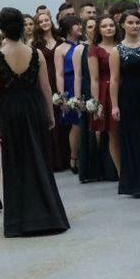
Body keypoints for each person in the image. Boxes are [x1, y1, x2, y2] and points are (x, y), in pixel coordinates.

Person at [0, 8, 69, 237]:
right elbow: (46, 88)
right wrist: (50, 113)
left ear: (1, 29)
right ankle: (50, 215)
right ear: (23, 27)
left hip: (10, 110)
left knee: (15, 162)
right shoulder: (36, 53)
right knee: (41, 159)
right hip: (34, 108)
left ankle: (19, 222)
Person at [110, 12, 140, 199]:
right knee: (135, 138)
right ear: (122, 25)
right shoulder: (117, 50)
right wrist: (115, 105)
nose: (135, 25)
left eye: (137, 22)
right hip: (129, 98)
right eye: (130, 22)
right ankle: (139, 183)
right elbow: (114, 79)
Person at [31, 9, 69, 172]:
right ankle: (54, 160)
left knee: (64, 117)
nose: (44, 23)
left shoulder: (61, 39)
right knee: (50, 117)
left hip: (62, 80)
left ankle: (68, 157)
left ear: (51, 21)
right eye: (40, 21)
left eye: (46, 20)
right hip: (44, 82)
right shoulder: (34, 44)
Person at [87, 15, 121, 175]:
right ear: (99, 30)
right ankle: (121, 172)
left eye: (111, 25)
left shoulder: (121, 45)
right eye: (105, 26)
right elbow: (94, 79)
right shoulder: (94, 50)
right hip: (105, 92)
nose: (109, 28)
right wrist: (96, 103)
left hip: (124, 89)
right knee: (114, 134)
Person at [54, 15, 85, 173]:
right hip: (70, 84)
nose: (80, 27)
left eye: (80, 24)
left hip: (85, 82)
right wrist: (62, 97)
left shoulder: (84, 45)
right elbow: (59, 74)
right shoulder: (60, 49)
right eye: (76, 25)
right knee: (76, 123)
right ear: (67, 28)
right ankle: (74, 156)